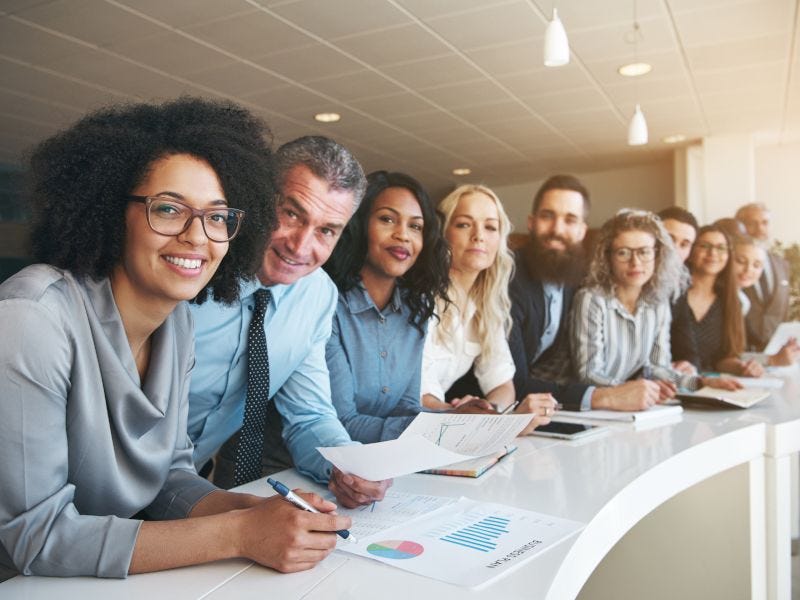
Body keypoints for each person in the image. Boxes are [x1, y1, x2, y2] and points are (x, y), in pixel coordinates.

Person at [0, 98, 350, 581]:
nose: (196, 236)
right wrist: (239, 533)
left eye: (217, 217)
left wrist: (255, 511)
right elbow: (34, 538)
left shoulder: (176, 321)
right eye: (168, 209)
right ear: (108, 209)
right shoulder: (30, 320)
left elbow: (165, 477)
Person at [188, 136, 391, 508]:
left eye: (326, 230)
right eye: (292, 214)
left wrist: (347, 465)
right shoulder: (192, 266)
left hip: (189, 485)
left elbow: (310, 415)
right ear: (260, 197)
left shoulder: (317, 296)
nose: (300, 247)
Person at [510, 176, 668, 411]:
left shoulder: (574, 277)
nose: (557, 229)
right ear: (531, 222)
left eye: (570, 220)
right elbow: (512, 382)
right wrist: (609, 396)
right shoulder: (509, 277)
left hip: (543, 405)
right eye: (547, 216)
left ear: (582, 231)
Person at [322, 171, 450, 442]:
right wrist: (439, 431)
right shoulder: (327, 302)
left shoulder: (416, 308)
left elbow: (406, 408)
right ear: (359, 226)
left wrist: (459, 419)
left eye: (415, 226)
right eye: (387, 219)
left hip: (376, 463)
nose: (403, 235)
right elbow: (341, 421)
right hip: (300, 468)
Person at [420, 184, 556, 427]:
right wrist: (472, 416)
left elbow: (503, 384)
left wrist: (489, 411)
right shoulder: (420, 298)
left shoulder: (485, 305)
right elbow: (418, 395)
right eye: (464, 224)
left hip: (445, 428)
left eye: (490, 227)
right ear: (443, 233)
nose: (479, 235)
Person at [570, 210, 739, 398]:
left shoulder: (659, 302)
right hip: (582, 406)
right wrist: (634, 390)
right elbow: (588, 374)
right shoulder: (591, 299)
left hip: (627, 405)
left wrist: (700, 383)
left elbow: (657, 368)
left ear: (657, 255)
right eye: (623, 253)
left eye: (644, 252)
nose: (635, 263)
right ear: (607, 257)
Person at [673, 224, 763, 376]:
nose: (713, 253)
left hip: (712, 387)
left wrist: (742, 367)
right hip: (670, 386)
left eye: (721, 248)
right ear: (691, 251)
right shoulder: (673, 296)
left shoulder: (731, 301)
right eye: (704, 246)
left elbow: (723, 359)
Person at [732, 234, 799, 366]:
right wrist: (771, 360)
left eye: (757, 265)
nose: (748, 270)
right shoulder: (722, 300)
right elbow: (720, 357)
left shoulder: (742, 300)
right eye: (741, 261)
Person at [735, 203, 791, 350]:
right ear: (740, 227)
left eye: (765, 223)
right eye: (752, 223)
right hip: (738, 351)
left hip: (774, 353)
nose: (760, 229)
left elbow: (782, 311)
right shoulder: (730, 264)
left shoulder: (782, 264)